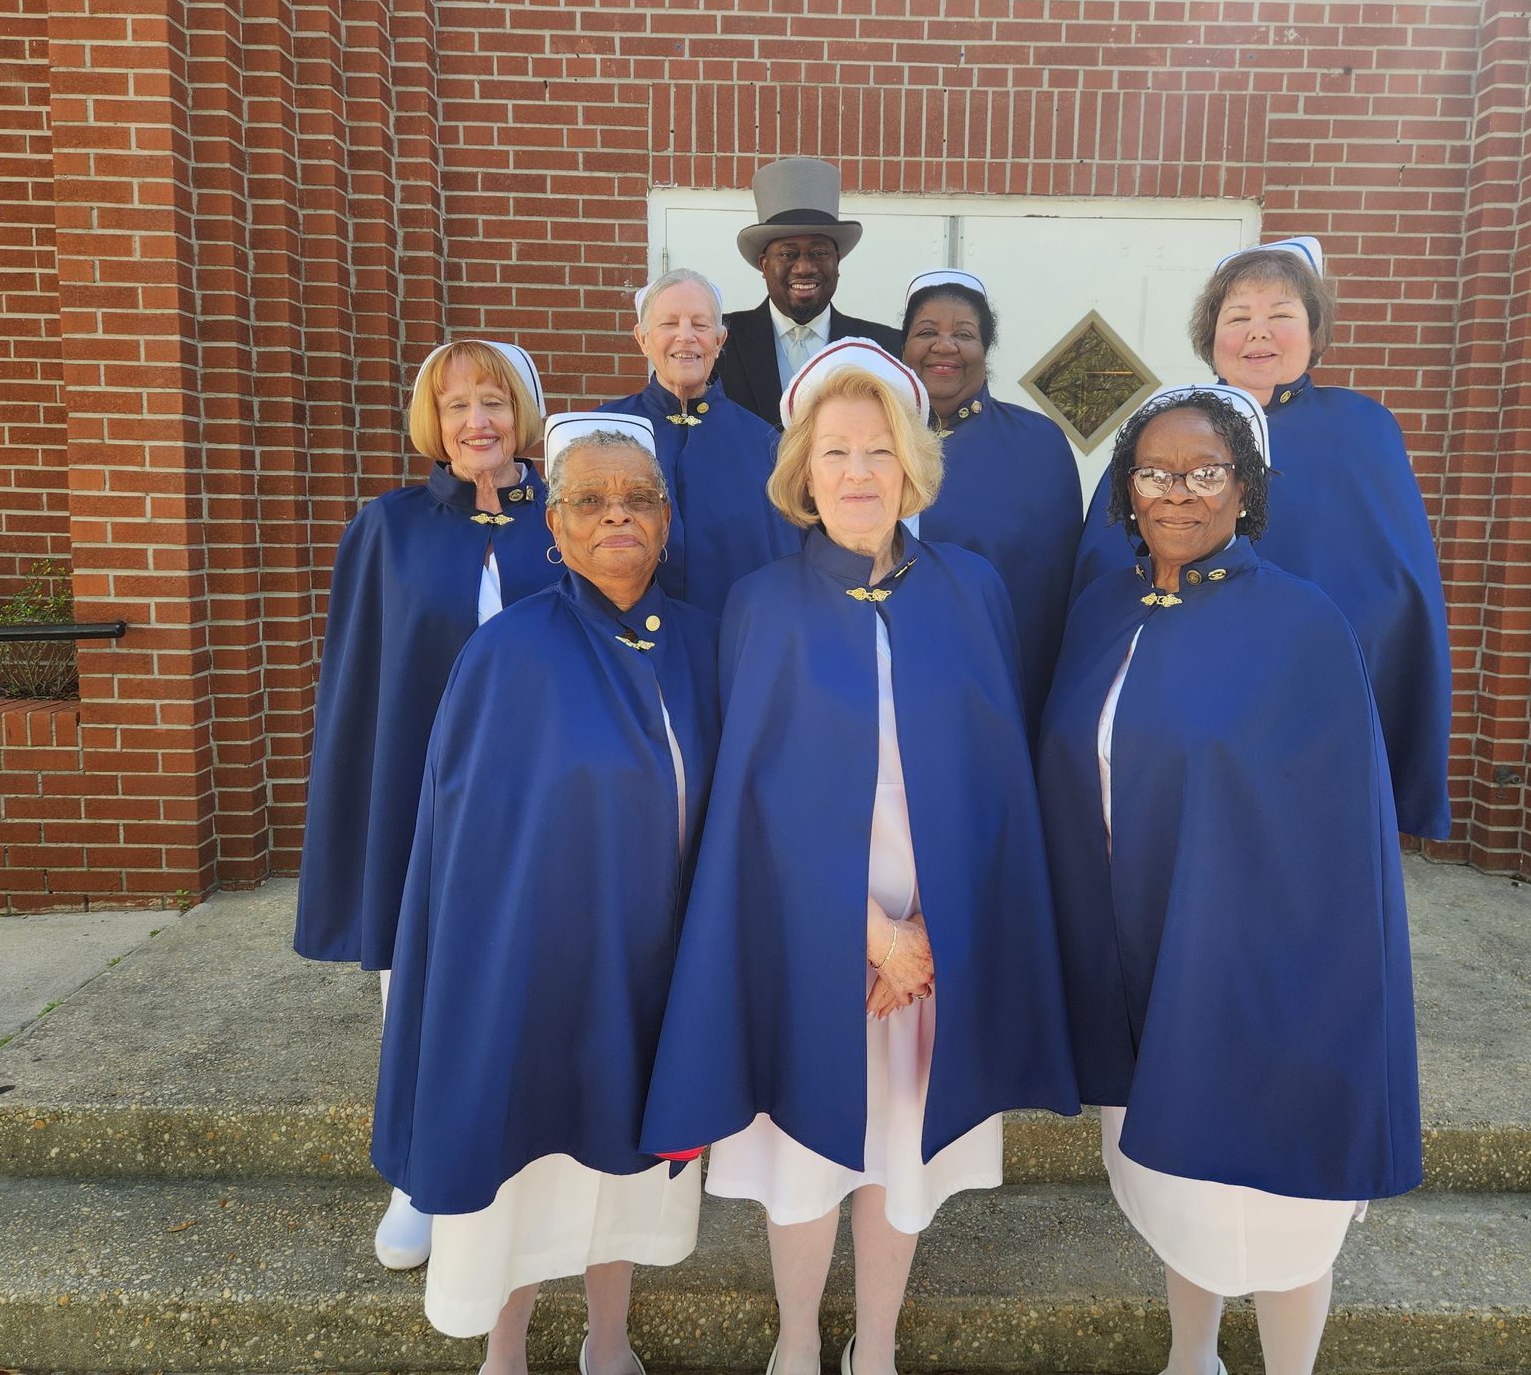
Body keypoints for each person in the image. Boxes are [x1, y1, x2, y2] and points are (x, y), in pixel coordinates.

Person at [642, 339, 1079, 1375]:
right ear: (802, 469)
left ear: (911, 467)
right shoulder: (758, 605)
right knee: (802, 1156)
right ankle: (797, 1340)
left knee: (901, 1157)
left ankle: (874, 1344)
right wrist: (860, 929)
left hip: (935, 946)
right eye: (835, 451)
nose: (856, 472)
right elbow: (752, 801)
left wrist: (932, 927)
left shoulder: (973, 591)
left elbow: (990, 787)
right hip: (809, 938)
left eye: (878, 450)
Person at [1040, 386, 1421, 1375]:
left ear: (1247, 492)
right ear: (1126, 493)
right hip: (1138, 964)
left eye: (1205, 471)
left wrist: (1304, 988)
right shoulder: (1102, 611)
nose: (1177, 493)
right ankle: (1191, 1356)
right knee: (1180, 1194)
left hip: (1262, 987)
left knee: (1276, 1205)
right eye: (1154, 472)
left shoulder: (1303, 625)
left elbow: (1340, 844)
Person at [372, 411, 718, 1375]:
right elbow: (468, 846)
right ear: (555, 526)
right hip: (529, 975)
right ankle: (507, 1348)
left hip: (654, 969)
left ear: (667, 518)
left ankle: (609, 1340)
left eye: (639, 499)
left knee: (626, 1174)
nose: (619, 516)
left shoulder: (703, 643)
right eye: (592, 501)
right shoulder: (508, 652)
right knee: (520, 1171)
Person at [294, 338, 559, 1271]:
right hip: (421, 786)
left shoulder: (569, 516)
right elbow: (362, 680)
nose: (477, 422)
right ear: (433, 424)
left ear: (524, 412)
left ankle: (530, 1145)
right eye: (457, 407)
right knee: (414, 979)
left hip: (541, 792)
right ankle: (416, 1169)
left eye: (494, 401)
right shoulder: (388, 528)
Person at [1072, 236, 1453, 838]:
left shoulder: (1364, 430)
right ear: (1210, 334)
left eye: (1281, 316)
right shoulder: (1162, 425)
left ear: (1314, 331)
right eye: (1238, 317)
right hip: (1176, 709)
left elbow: (1398, 590)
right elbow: (1109, 568)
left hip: (1308, 711)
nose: (1259, 333)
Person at [898, 268, 1081, 710]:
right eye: (927, 332)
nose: (944, 346)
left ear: (985, 349)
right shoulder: (869, 441)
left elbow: (1055, 595)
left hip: (999, 687)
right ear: (903, 347)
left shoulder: (1039, 445)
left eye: (964, 333)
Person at [599, 269, 798, 615]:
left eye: (700, 324)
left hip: (730, 648)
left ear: (720, 341)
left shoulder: (766, 444)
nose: (685, 336)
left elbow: (787, 565)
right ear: (642, 338)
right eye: (669, 323)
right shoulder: (601, 433)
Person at [715, 157, 904, 427]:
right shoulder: (718, 343)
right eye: (788, 254)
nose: (804, 267)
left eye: (819, 253)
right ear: (764, 265)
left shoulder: (883, 348)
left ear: (837, 261)